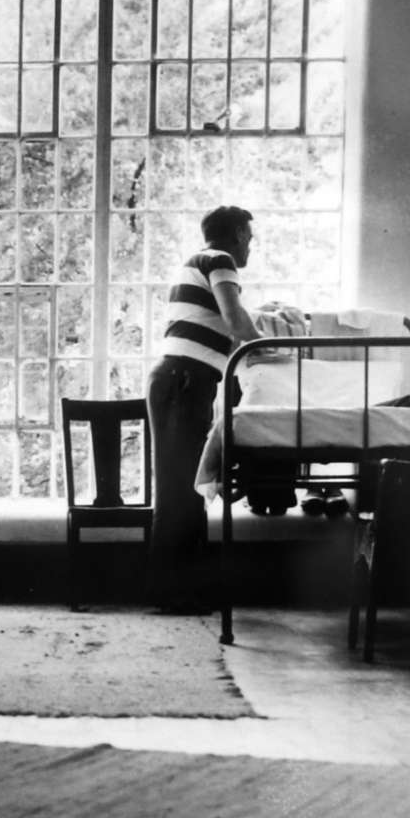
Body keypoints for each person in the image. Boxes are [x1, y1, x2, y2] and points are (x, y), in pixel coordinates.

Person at [146, 205, 262, 614]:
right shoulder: (220, 260)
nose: (251, 244)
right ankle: (172, 592)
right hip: (183, 381)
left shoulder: (196, 264)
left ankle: (184, 589)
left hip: (182, 380)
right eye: (248, 235)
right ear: (233, 235)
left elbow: (224, 330)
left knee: (185, 487)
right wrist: (267, 350)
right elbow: (235, 319)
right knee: (182, 488)